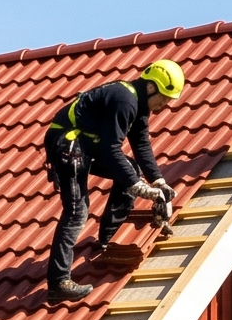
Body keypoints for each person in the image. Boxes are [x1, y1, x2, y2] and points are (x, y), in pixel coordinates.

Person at [42, 59, 186, 303]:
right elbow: (111, 148)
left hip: (86, 145)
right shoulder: (124, 99)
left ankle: (106, 238)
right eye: (163, 98)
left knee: (130, 169)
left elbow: (141, 146)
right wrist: (138, 185)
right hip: (67, 143)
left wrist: (158, 181)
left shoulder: (139, 108)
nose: (164, 106)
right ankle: (58, 281)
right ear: (151, 87)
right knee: (77, 211)